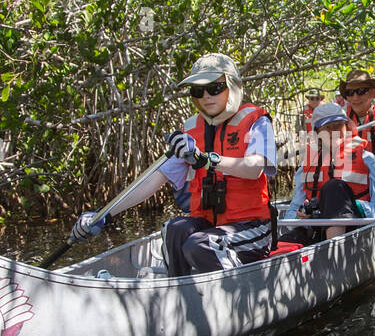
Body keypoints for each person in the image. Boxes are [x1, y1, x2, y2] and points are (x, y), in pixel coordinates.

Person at [71, 53, 277, 276]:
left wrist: (207, 160)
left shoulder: (257, 122)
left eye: (215, 88)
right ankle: (178, 289)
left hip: (252, 228)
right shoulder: (190, 132)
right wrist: (104, 215)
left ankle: (231, 293)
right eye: (198, 91)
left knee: (200, 244)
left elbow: (254, 168)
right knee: (174, 230)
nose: (206, 96)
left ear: (232, 86)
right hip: (209, 224)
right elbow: (154, 179)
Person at [284, 103, 375, 243]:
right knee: (287, 239)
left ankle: (335, 247)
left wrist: (350, 206)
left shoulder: (367, 159)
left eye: (338, 125)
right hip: (318, 231)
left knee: (334, 188)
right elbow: (290, 215)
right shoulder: (306, 166)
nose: (333, 131)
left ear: (346, 127)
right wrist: (304, 217)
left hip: (357, 230)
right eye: (327, 128)